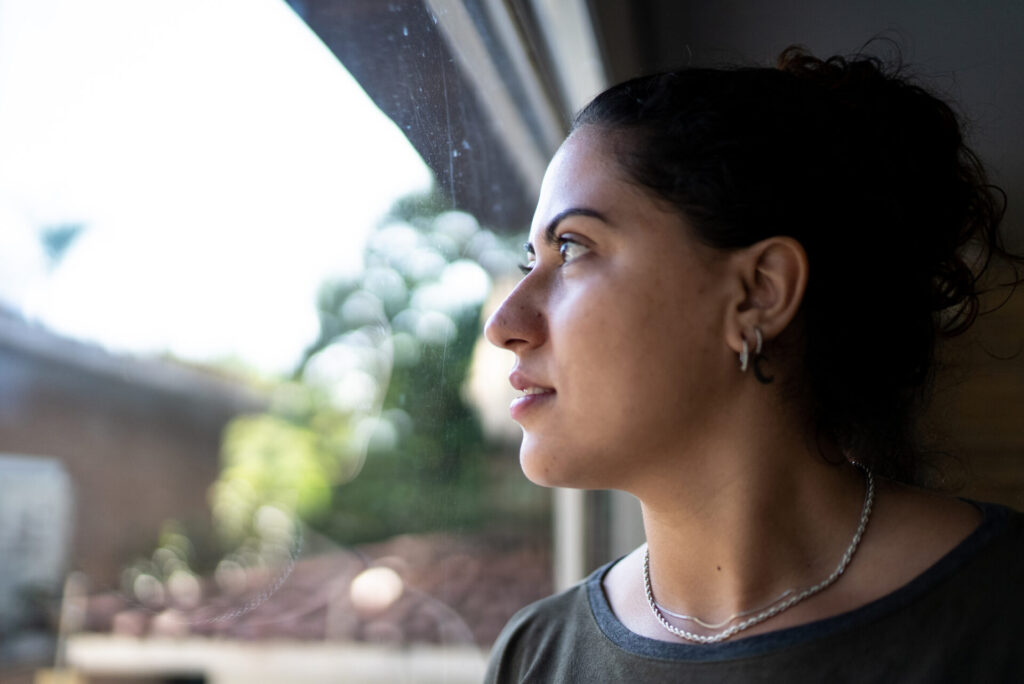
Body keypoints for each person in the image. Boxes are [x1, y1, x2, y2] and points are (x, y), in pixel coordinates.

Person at [482, 47, 1024, 682]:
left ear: (759, 292)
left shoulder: (1003, 614)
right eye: (529, 260)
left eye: (572, 247)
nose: (504, 326)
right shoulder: (536, 657)